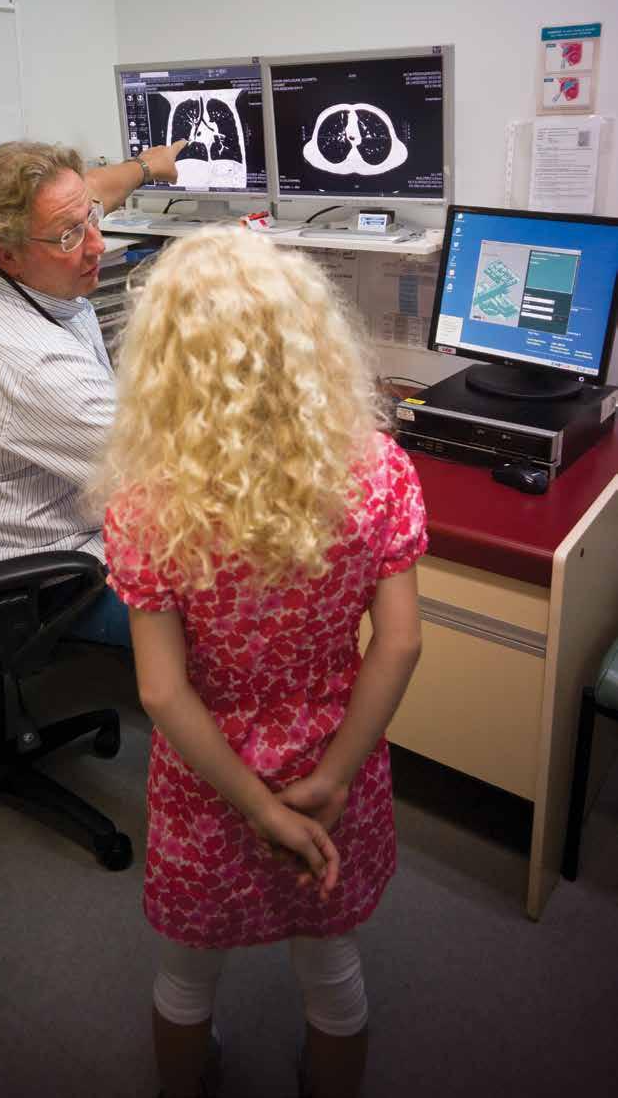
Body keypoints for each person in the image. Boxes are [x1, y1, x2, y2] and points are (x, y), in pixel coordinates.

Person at [99, 227, 426, 1098]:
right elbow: (400, 642)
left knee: (185, 977)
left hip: (209, 780)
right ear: (307, 337)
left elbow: (161, 689)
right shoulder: (379, 473)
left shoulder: (148, 507)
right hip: (330, 758)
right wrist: (332, 779)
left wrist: (253, 804)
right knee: (333, 972)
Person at [0, 137, 184, 643]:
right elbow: (177, 479)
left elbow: (93, 191)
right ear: (8, 253)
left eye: (91, 219)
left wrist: (147, 167)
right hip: (34, 580)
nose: (97, 244)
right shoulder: (35, 367)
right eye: (70, 236)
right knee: (232, 611)